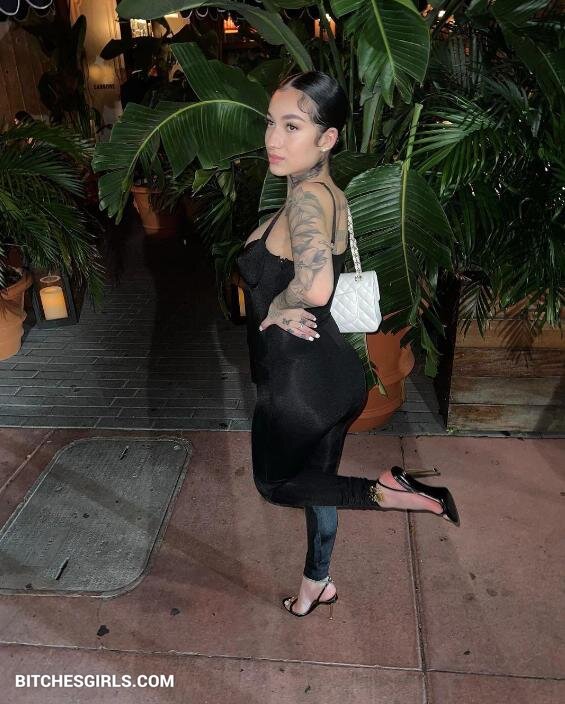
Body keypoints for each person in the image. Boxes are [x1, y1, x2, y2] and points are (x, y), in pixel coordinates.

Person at [235, 71, 459, 619]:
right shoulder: (326, 194)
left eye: (292, 126)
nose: (273, 139)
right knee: (317, 485)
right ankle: (317, 583)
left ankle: (388, 491)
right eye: (271, 123)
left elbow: (315, 287)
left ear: (328, 138)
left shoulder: (307, 201)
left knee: (275, 484)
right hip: (334, 376)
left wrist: (277, 303)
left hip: (297, 386)